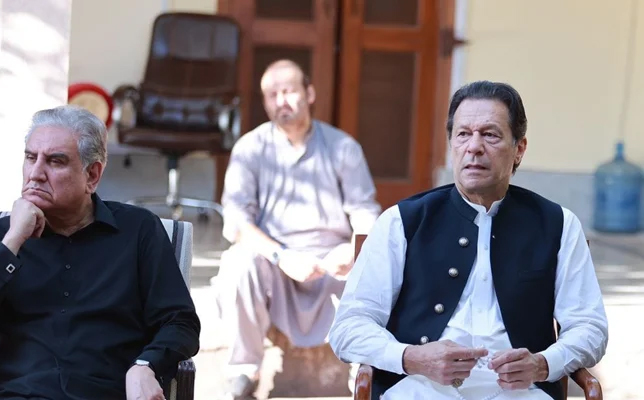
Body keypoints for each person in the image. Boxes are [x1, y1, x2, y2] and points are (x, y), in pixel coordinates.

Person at [328, 80, 608, 400]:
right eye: (463, 134)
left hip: (522, 390)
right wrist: (410, 358)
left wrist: (543, 364)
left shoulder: (559, 225)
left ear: (519, 149)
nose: (474, 147)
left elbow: (591, 328)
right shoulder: (401, 222)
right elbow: (348, 327)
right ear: (451, 146)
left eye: (490, 134)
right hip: (420, 386)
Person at [0, 105, 200, 400]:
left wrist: (145, 365)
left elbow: (181, 322)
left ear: (92, 175)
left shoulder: (139, 231)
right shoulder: (1, 236)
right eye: (30, 158)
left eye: (55, 161)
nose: (36, 173)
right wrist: (13, 241)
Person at [213, 59, 381, 399]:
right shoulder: (250, 148)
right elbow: (237, 221)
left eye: (288, 91)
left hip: (333, 265)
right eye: (271, 95)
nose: (281, 102)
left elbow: (366, 213)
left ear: (310, 93)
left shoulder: (343, 148)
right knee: (238, 263)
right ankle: (245, 368)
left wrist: (351, 250)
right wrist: (281, 256)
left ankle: (361, 369)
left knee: (376, 265)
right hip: (276, 263)